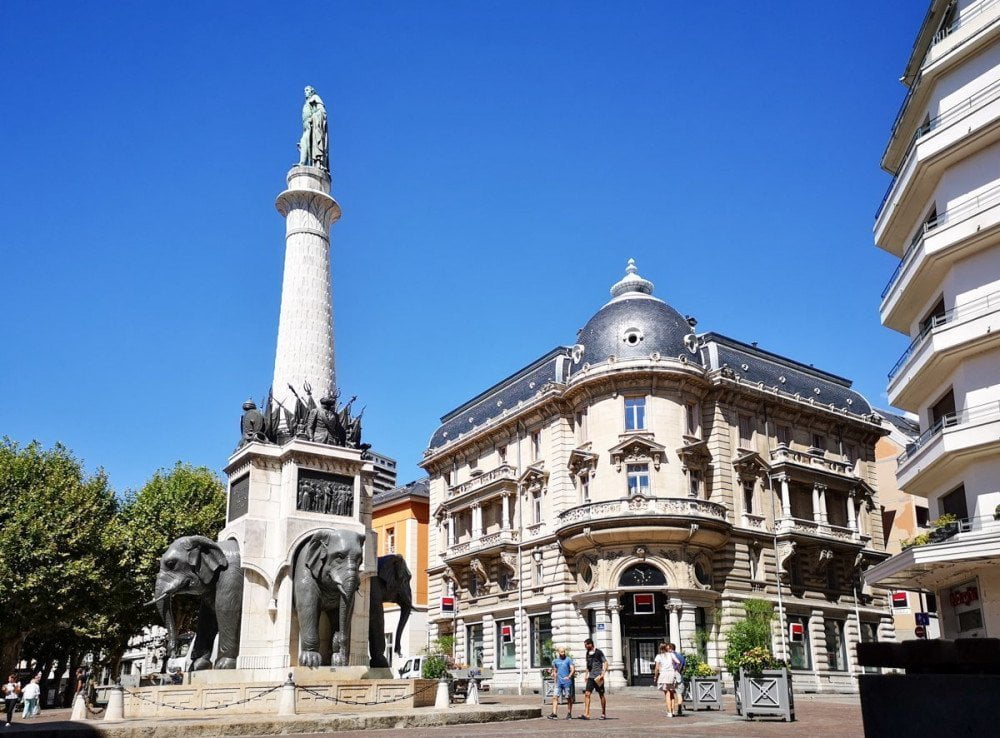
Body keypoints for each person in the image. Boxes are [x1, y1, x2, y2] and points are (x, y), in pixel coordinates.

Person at [581, 638, 608, 720]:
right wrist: (586, 675)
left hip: (598, 677)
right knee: (587, 694)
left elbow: (606, 663)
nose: (585, 647)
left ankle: (603, 713)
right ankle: (587, 714)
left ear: (590, 644)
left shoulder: (598, 652)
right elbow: (587, 665)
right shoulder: (587, 653)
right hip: (591, 677)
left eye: (586, 645)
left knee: (601, 695)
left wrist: (603, 674)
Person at [653, 643, 682, 717]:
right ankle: (673, 711)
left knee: (667, 694)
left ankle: (669, 712)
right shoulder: (671, 654)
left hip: (664, 674)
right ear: (666, 648)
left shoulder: (659, 656)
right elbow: (678, 662)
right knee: (672, 693)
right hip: (672, 674)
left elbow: (656, 668)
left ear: (660, 649)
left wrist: (655, 676)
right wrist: (677, 669)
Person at [549, 646, 575, 720]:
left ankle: (569, 713)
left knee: (568, 698)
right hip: (558, 682)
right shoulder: (555, 661)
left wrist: (569, 676)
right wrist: (553, 674)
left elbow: (572, 669)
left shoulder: (568, 659)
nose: (563, 653)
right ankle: (554, 714)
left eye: (564, 652)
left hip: (567, 682)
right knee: (555, 697)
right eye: (561, 652)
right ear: (558, 652)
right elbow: (555, 670)